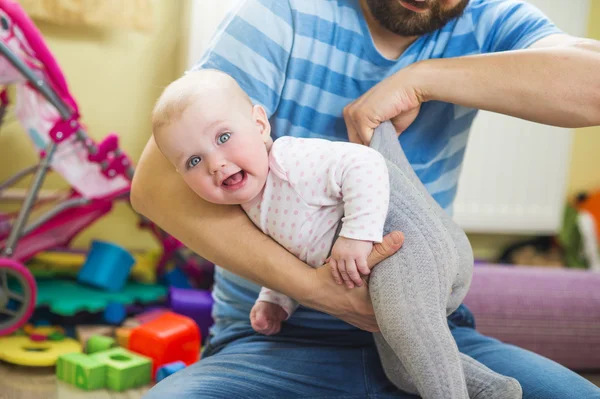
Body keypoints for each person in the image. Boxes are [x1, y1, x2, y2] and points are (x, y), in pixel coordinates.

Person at [134, 0, 600, 397]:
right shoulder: (283, 13)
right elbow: (155, 188)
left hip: (428, 326)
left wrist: (423, 79)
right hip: (275, 343)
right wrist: (311, 291)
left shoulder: (488, 20)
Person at [150, 69, 522, 398]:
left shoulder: (290, 159)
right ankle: (492, 390)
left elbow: (364, 164)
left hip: (403, 242)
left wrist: (356, 235)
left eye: (224, 137)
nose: (216, 163)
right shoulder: (251, 205)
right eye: (194, 161)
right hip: (376, 280)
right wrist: (276, 300)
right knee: (403, 369)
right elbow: (295, 248)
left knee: (410, 329)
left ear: (260, 126)